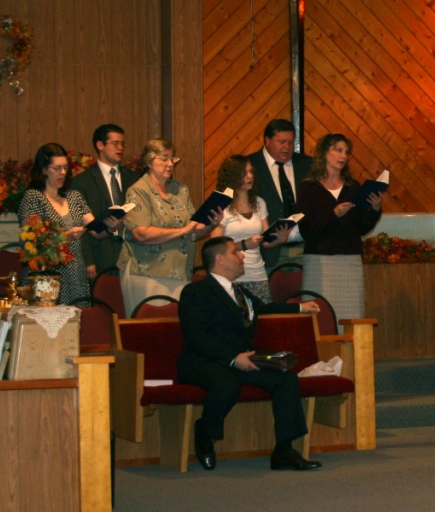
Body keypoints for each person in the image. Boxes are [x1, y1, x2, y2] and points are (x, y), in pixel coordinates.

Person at [177, 236, 321, 471]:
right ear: (220, 259)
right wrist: (233, 358)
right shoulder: (195, 292)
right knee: (226, 385)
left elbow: (263, 309)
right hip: (205, 362)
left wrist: (300, 307)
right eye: (236, 252)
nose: (242, 255)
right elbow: (197, 336)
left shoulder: (239, 291)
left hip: (241, 360)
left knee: (285, 379)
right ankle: (205, 433)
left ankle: (284, 451)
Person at [118, 139, 218, 314]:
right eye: (164, 159)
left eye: (172, 159)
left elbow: (191, 232)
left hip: (180, 271)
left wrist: (211, 225)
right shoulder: (138, 191)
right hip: (146, 272)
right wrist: (183, 230)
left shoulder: (180, 189)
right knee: (151, 325)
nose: (170, 164)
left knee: (174, 325)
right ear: (149, 161)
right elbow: (141, 233)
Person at [296, 134, 382, 330]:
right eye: (338, 150)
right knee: (319, 318)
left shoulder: (353, 187)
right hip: (319, 260)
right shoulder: (308, 188)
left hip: (349, 260)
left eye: (346, 152)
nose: (343, 156)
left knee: (351, 315)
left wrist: (375, 209)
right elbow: (306, 228)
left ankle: (350, 350)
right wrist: (333, 214)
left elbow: (362, 227)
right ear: (324, 153)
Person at [18, 143, 119, 305]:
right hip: (46, 276)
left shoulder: (74, 196)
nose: (63, 172)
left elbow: (95, 231)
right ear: (43, 170)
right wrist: (65, 236)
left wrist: (109, 227)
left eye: (65, 167)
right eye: (57, 168)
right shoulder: (33, 197)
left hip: (75, 274)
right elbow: (31, 242)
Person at [210, 155, 293, 303]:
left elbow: (266, 241)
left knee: (262, 314)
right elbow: (216, 247)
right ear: (232, 176)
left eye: (251, 172)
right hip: (232, 275)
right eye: (244, 173)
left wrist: (280, 238)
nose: (250, 176)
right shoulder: (222, 205)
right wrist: (243, 245)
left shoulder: (259, 203)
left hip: (258, 274)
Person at [71, 123, 140, 280]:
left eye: (122, 144)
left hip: (131, 253)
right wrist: (88, 261)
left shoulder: (134, 178)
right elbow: (80, 226)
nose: (120, 148)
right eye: (115, 143)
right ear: (100, 145)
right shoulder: (82, 182)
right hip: (101, 254)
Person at [248, 119, 313, 271]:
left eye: (290, 142)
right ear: (267, 140)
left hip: (304, 247)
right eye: (281, 142)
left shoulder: (307, 164)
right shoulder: (250, 165)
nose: (287, 147)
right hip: (267, 251)